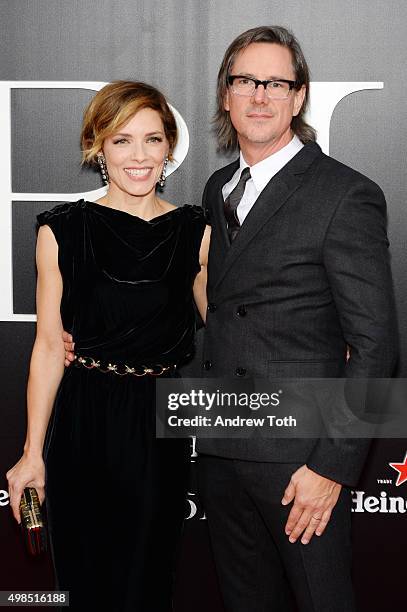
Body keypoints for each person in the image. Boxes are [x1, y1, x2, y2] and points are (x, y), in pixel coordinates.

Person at [196, 26, 398, 612]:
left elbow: (377, 345)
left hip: (298, 463)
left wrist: (331, 466)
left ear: (299, 96)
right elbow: (224, 307)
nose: (259, 95)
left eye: (275, 83)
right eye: (245, 81)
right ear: (225, 95)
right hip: (223, 447)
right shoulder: (219, 187)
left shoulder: (345, 194)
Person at [6, 80, 210, 612]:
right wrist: (32, 453)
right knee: (83, 581)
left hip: (157, 422)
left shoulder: (196, 232)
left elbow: (232, 330)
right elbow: (49, 347)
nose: (138, 156)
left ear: (169, 147)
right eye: (121, 141)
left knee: (146, 582)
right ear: (98, 147)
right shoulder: (62, 230)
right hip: (82, 419)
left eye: (151, 139)